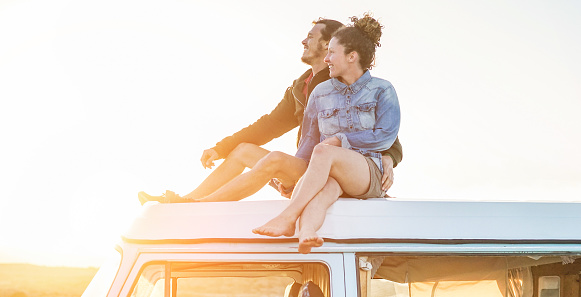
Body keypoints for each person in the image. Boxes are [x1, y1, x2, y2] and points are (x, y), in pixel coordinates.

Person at [138, 17, 402, 204]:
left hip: (333, 170)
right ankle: (187, 200)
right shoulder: (302, 87)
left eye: (311, 36)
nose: (303, 40)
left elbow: (381, 128)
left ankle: (197, 206)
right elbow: (268, 126)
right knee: (242, 151)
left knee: (274, 160)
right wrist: (221, 148)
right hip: (306, 163)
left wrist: (389, 157)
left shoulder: (344, 82)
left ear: (327, 45)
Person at [252, 13, 399, 254]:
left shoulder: (382, 89)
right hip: (333, 171)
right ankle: (307, 232)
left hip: (368, 171)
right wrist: (297, 180)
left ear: (352, 57)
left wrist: (342, 140)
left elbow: (385, 136)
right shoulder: (320, 93)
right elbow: (308, 142)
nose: (327, 58)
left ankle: (287, 217)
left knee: (325, 149)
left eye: (332, 52)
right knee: (323, 191)